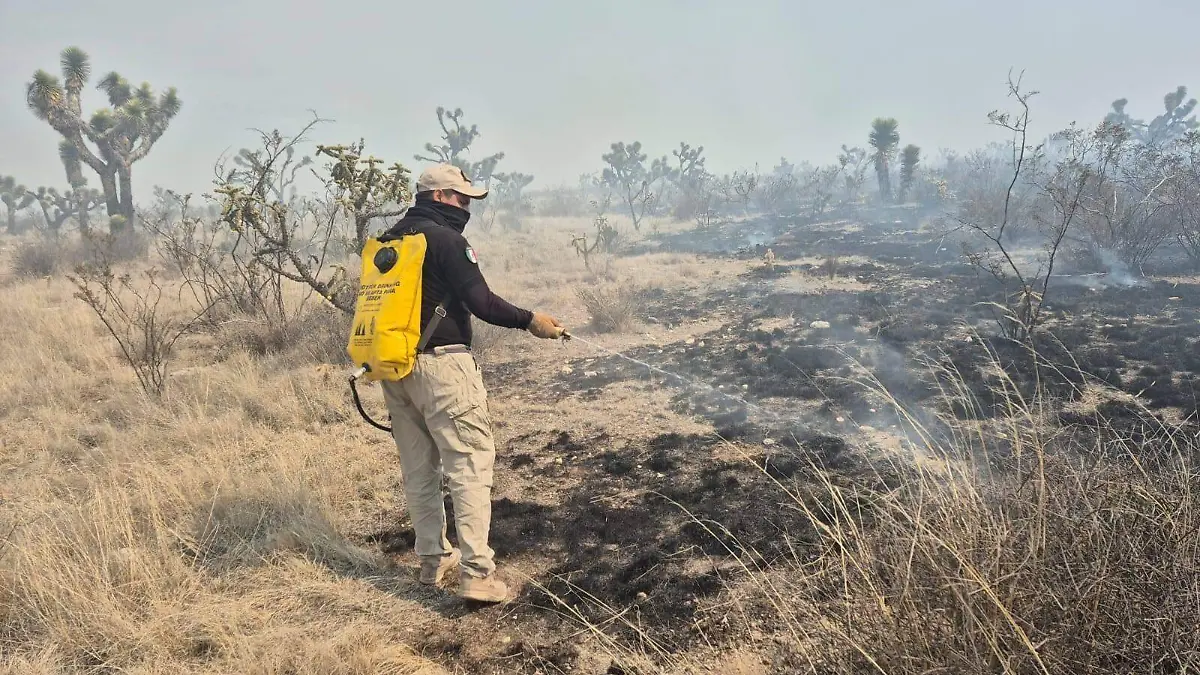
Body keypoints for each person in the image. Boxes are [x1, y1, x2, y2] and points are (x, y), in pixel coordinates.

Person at [376, 163, 566, 603]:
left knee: (419, 470)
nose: (466, 207)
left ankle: (432, 562)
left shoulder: (389, 239)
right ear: (440, 196)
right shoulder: (446, 240)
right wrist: (530, 320)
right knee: (470, 466)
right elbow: (481, 302)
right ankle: (478, 574)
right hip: (443, 370)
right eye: (461, 198)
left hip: (396, 369)